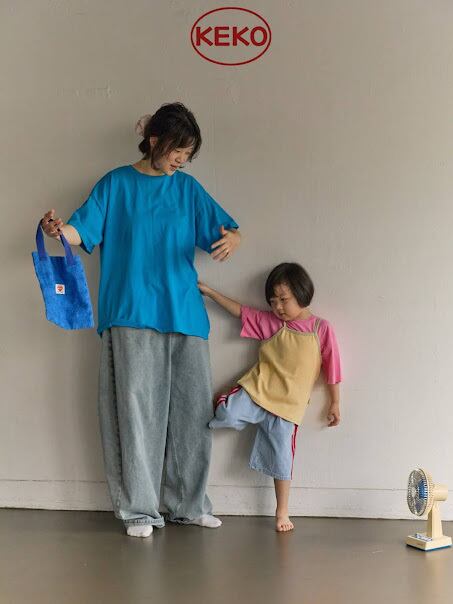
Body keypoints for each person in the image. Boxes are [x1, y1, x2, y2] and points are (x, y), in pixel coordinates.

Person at [40, 102, 241, 537]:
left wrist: (234, 239)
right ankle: (139, 510)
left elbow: (226, 229)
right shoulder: (116, 184)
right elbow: (80, 230)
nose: (181, 160)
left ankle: (188, 504)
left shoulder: (187, 189)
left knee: (191, 414)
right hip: (130, 310)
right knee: (135, 415)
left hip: (184, 312)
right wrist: (59, 231)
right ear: (154, 140)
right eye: (177, 151)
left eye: (187, 154)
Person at [198, 262, 341, 532]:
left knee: (282, 462)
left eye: (284, 299)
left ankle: (282, 512)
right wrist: (211, 292)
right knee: (226, 415)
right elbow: (241, 311)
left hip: (288, 408)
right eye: (273, 301)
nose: (278, 307)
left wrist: (335, 401)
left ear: (302, 293)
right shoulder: (273, 323)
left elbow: (333, 367)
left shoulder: (320, 329)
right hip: (258, 391)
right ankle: (224, 398)